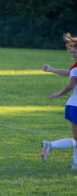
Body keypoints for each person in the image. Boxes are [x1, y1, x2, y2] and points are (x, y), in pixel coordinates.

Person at [41, 32, 77, 169]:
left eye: (75, 53)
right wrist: (57, 95)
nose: (73, 55)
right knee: (76, 139)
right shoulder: (75, 68)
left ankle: (75, 164)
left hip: (74, 106)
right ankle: (50, 145)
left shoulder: (75, 68)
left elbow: (68, 73)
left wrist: (50, 69)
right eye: (73, 53)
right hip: (75, 106)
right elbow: (71, 84)